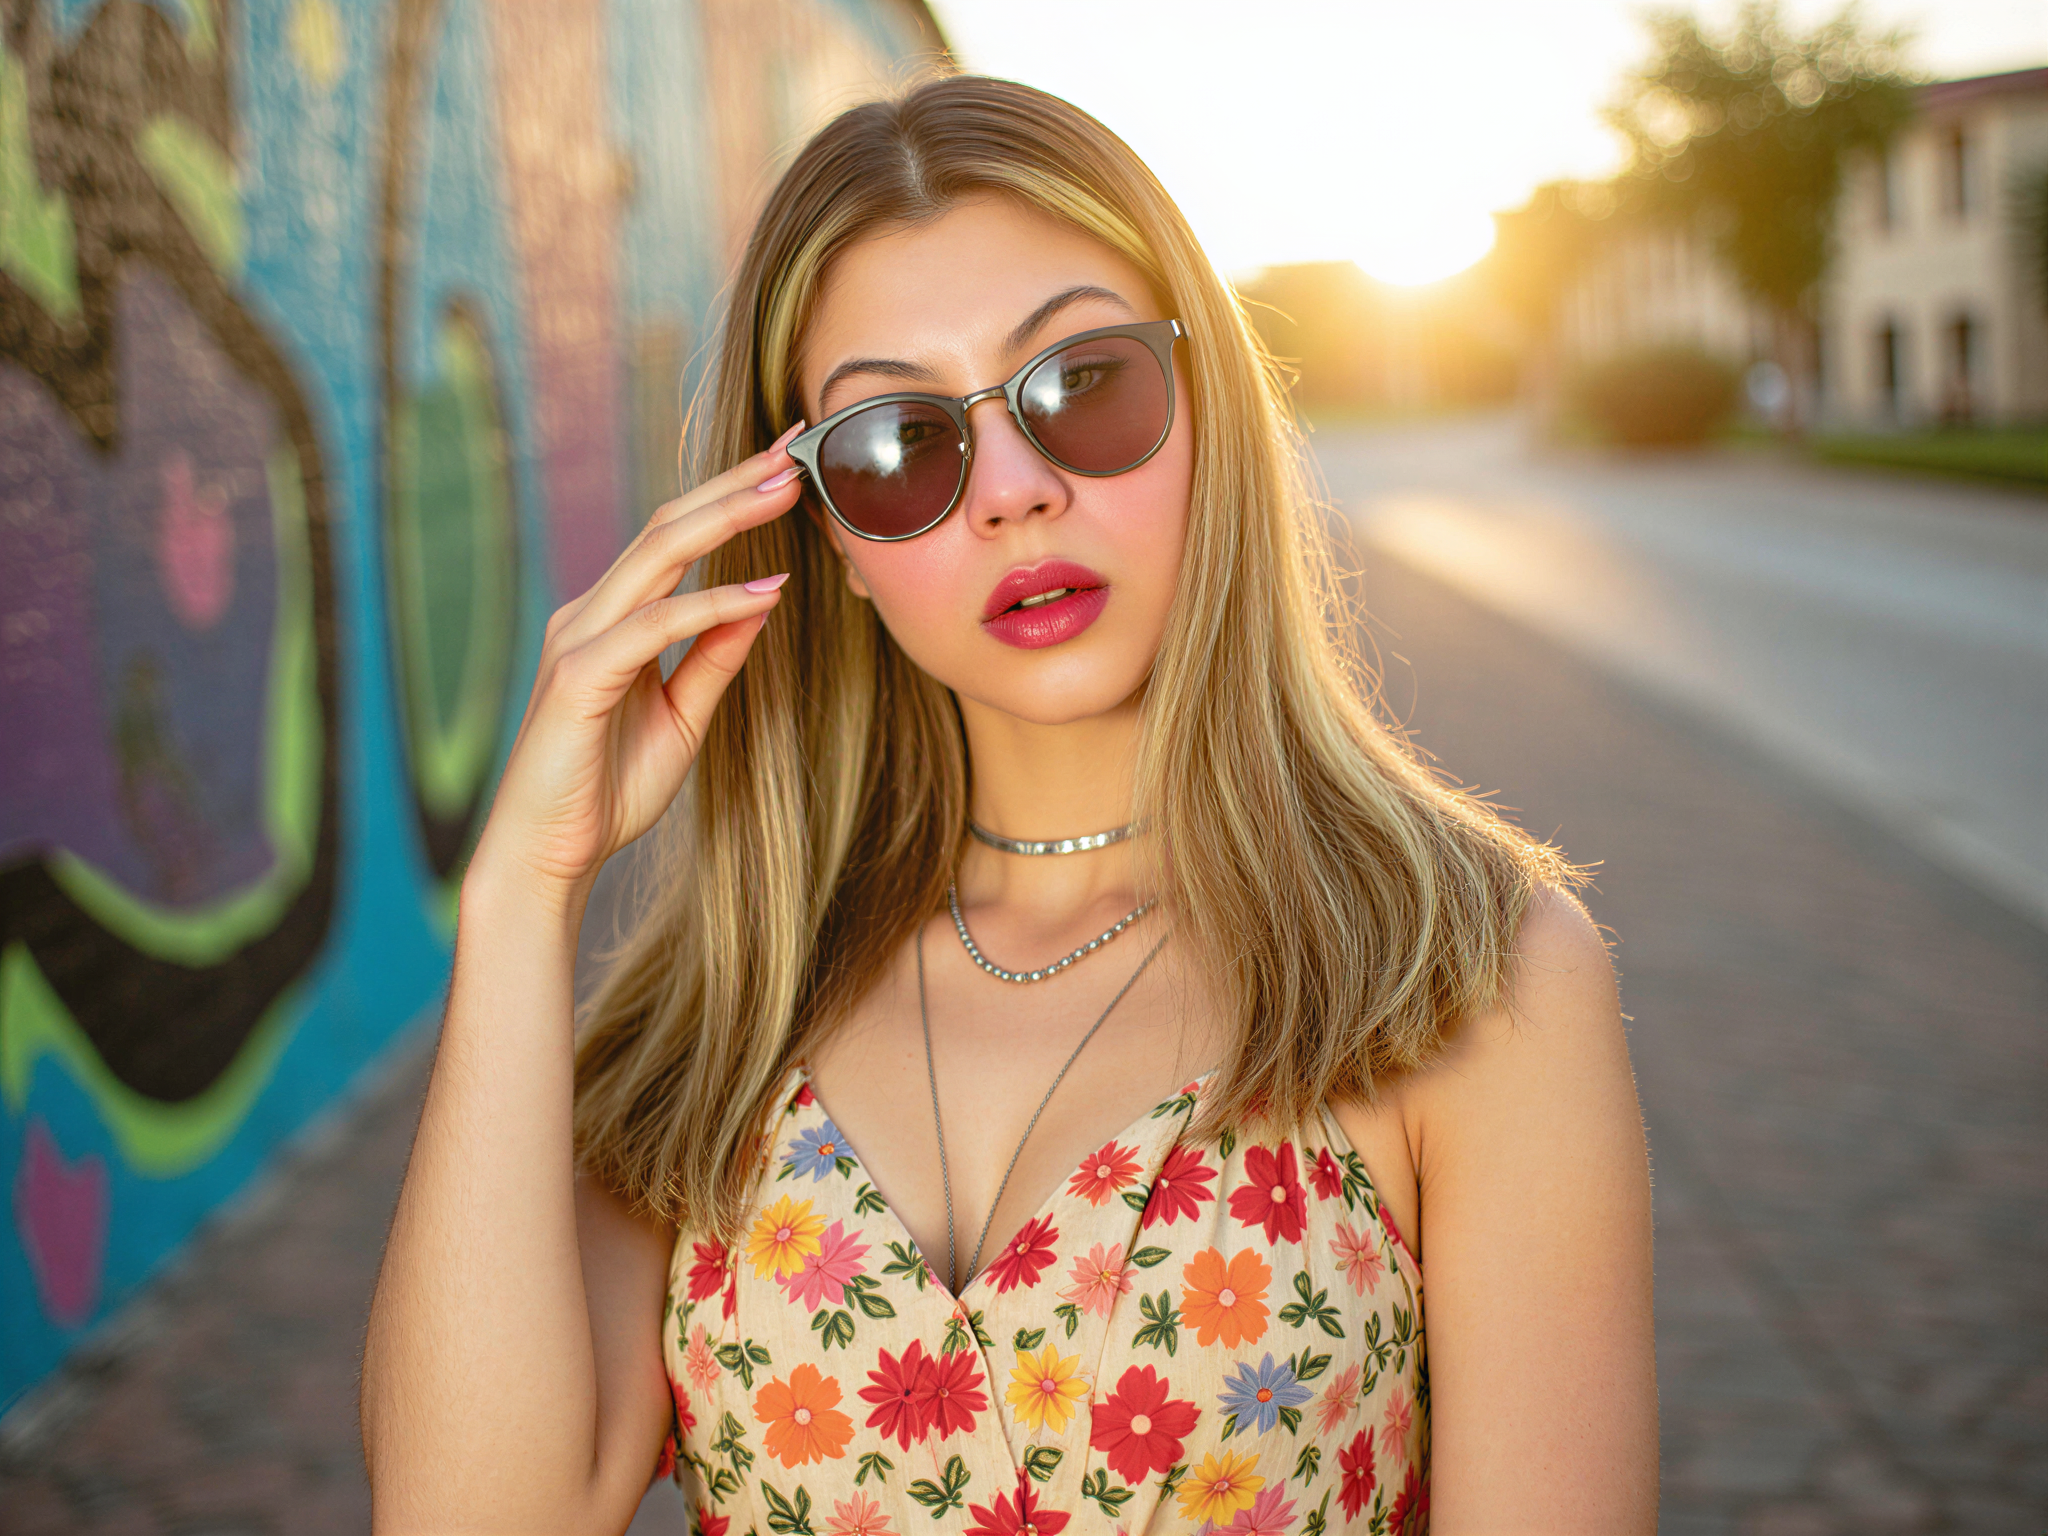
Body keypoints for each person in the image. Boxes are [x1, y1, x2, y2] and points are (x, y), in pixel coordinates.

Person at [361, 74, 1657, 1535]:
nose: (1013, 494)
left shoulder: (1466, 977)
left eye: (1085, 384)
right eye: (899, 444)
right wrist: (519, 897)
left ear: (1208, 409)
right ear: (829, 536)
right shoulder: (715, 1027)